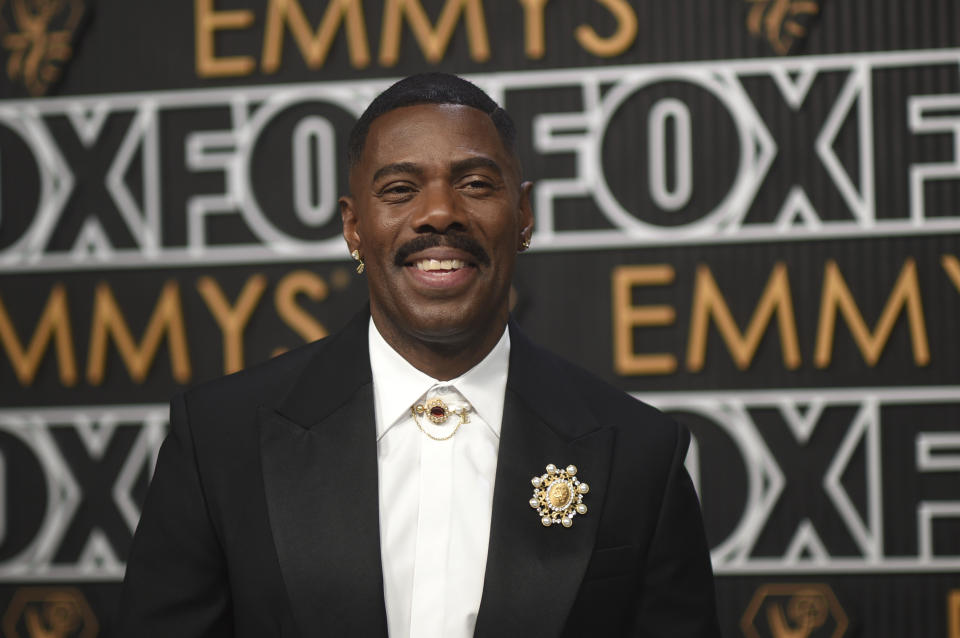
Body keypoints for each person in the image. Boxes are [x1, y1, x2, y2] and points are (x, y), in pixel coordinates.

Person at [119, 73, 721, 638]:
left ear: (525, 217)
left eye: (476, 184)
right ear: (354, 227)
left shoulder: (641, 452)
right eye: (400, 190)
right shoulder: (220, 440)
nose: (439, 214)